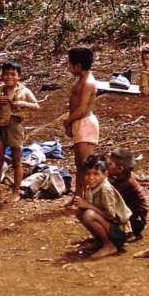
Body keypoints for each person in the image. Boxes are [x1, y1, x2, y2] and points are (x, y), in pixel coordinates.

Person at [0, 62, 39, 202]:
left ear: (19, 76)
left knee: (17, 161)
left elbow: (36, 106)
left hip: (15, 128)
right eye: (6, 74)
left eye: (13, 74)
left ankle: (16, 191)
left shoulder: (24, 91)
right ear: (1, 75)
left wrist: (23, 104)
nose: (9, 77)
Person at [74, 155, 132, 259]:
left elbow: (112, 216)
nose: (91, 178)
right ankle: (100, 240)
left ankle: (109, 245)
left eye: (96, 174)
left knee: (89, 214)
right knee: (80, 212)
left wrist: (88, 205)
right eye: (88, 173)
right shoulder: (91, 187)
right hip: (110, 226)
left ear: (105, 174)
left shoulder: (105, 189)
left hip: (120, 231)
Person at [64, 46, 98, 204]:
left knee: (86, 164)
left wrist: (68, 120)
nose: (69, 67)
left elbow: (83, 108)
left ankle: (88, 197)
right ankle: (78, 195)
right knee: (79, 163)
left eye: (70, 64)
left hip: (85, 123)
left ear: (78, 66)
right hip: (78, 123)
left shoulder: (88, 83)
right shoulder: (81, 81)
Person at [108, 147, 149, 241]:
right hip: (133, 217)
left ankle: (130, 234)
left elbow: (111, 195)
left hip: (136, 221)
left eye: (110, 164)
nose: (107, 165)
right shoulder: (123, 176)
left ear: (120, 169)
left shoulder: (127, 183)